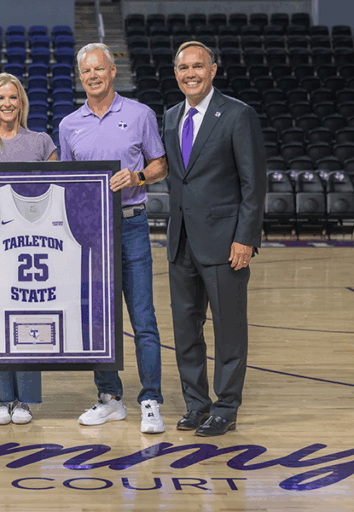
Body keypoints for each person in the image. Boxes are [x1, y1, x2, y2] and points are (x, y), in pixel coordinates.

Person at [59, 43, 168, 434]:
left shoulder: (140, 114)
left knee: (143, 318)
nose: (93, 76)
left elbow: (160, 165)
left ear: (112, 71)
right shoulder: (69, 125)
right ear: (80, 77)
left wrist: (137, 176)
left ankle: (151, 400)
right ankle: (110, 399)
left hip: (131, 223)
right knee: (97, 319)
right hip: (90, 232)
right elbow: (68, 183)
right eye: (86, 71)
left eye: (99, 69)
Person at [164, 41, 266, 437]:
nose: (190, 74)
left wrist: (245, 238)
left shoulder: (238, 114)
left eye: (198, 66)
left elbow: (253, 184)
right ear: (176, 73)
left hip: (225, 244)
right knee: (186, 331)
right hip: (181, 242)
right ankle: (196, 404)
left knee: (229, 331)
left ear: (213, 70)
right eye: (183, 68)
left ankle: (225, 408)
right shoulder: (171, 116)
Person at [0, 72, 58, 425]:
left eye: (13, 97)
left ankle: (24, 400)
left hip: (31, 247)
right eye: (0, 98)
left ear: (22, 102)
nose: (7, 103)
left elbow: (58, 194)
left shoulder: (41, 143)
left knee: (28, 318)